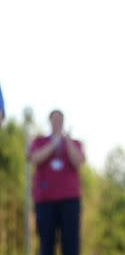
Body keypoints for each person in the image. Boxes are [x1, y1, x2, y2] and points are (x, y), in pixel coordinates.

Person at [27, 109, 85, 255]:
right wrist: (54, 143)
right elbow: (34, 158)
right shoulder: (39, 141)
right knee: (46, 243)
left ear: (63, 122)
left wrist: (66, 141)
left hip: (70, 201)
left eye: (60, 119)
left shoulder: (75, 143)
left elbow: (78, 161)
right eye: (54, 119)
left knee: (71, 244)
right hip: (45, 200)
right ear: (50, 121)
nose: (57, 122)